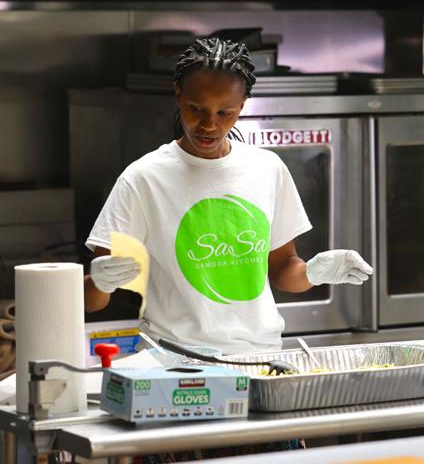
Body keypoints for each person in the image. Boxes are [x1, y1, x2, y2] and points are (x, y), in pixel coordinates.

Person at [84, 37, 374, 355]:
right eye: (197, 109)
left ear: (243, 104)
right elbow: (92, 302)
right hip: (175, 361)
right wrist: (100, 281)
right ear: (178, 94)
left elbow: (282, 270)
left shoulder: (266, 168)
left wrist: (314, 272)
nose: (210, 124)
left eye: (225, 112)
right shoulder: (143, 179)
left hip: (260, 356)